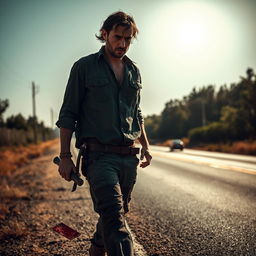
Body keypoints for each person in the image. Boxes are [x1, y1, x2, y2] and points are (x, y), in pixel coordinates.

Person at [56, 11, 152, 256]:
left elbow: (136, 113)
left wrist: (146, 147)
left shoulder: (133, 71)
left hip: (129, 156)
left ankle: (97, 248)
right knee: (113, 215)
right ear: (105, 34)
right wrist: (65, 156)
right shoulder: (84, 67)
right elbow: (68, 113)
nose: (122, 44)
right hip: (98, 157)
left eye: (128, 39)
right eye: (117, 37)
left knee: (116, 213)